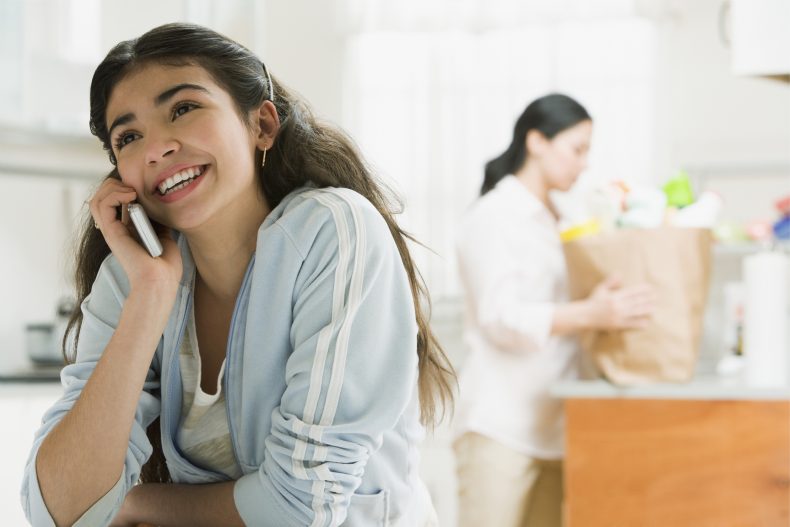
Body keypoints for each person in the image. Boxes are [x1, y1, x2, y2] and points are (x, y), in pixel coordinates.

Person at [21, 23, 454, 527]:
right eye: (129, 136)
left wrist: (138, 504)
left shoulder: (333, 229)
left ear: (262, 125)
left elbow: (301, 511)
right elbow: (57, 509)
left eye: (183, 108)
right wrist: (150, 296)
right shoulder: (134, 277)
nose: (157, 148)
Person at [453, 93, 654, 527]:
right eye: (576, 149)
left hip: (555, 427)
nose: (583, 164)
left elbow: (563, 306)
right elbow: (500, 317)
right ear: (537, 141)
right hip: (500, 427)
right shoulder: (494, 216)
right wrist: (592, 313)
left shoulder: (562, 219)